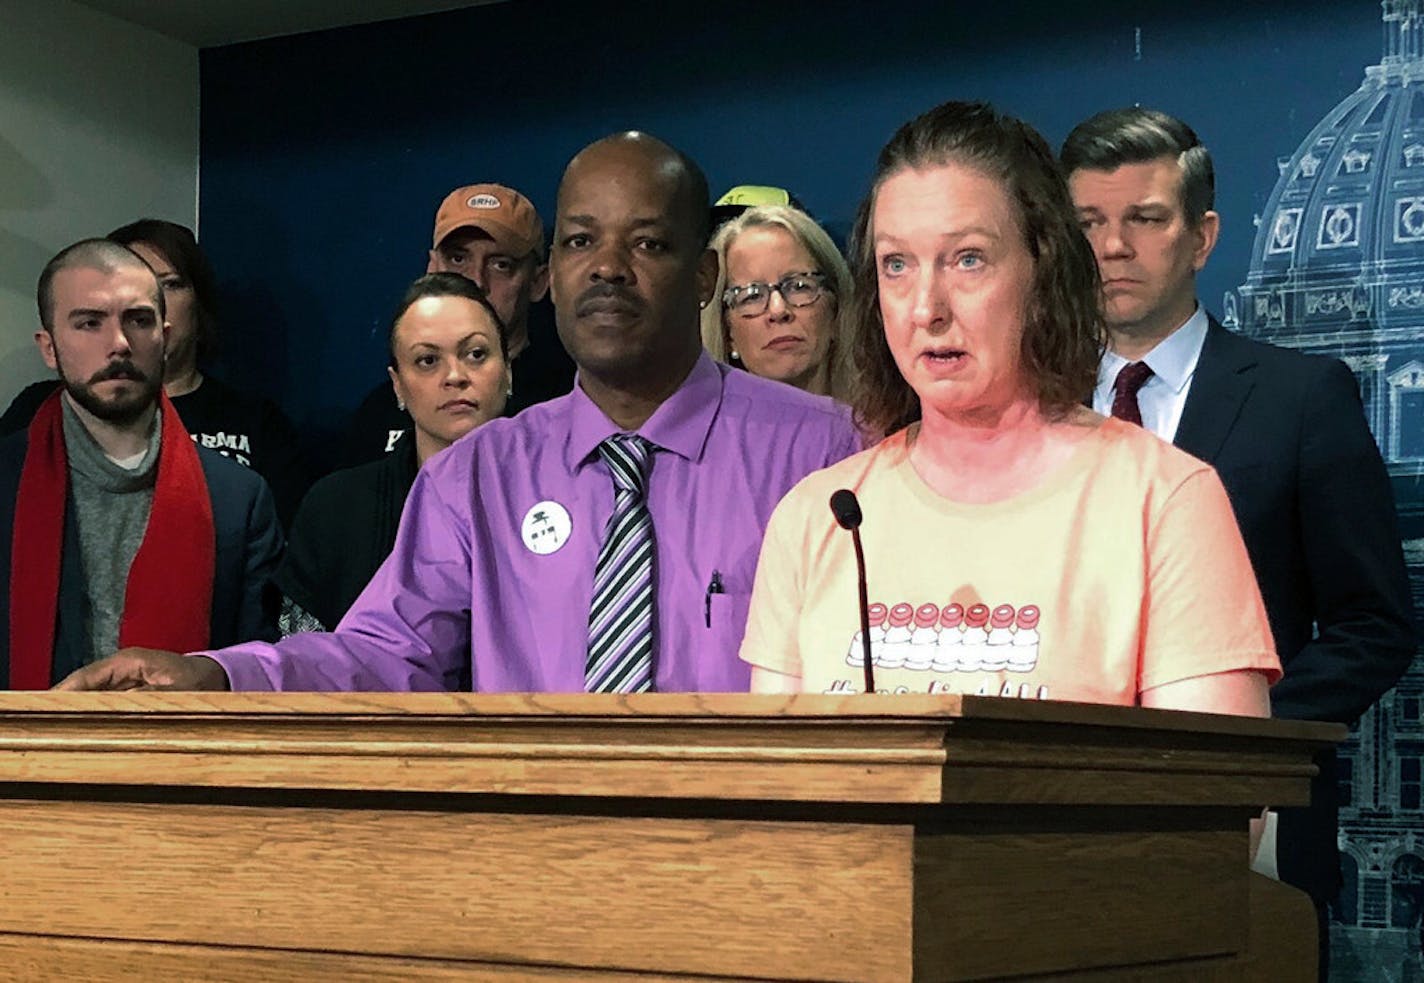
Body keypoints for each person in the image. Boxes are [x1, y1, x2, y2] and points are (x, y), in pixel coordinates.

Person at [59, 131, 860, 694]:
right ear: (555, 271)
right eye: (581, 242)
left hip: (762, 877)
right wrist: (220, 671)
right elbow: (382, 652)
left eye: (647, 243)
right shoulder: (479, 475)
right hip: (534, 874)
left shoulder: (824, 452)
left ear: (703, 275)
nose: (609, 268)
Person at [740, 101, 1281, 717]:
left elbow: (1225, 805)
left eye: (967, 259)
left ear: (1044, 269)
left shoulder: (1163, 501)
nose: (926, 308)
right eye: (897, 265)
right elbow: (775, 790)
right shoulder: (818, 517)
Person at [1060, 106, 1416, 976]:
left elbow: (1374, 623)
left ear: (1203, 235)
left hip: (1250, 819)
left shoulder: (1303, 398)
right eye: (1089, 225)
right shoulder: (1029, 407)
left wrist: (1237, 737)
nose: (1114, 247)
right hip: (1056, 814)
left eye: (1144, 218)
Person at [0, 240, 282, 687]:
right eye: (89, 323)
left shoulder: (238, 498)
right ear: (49, 347)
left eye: (138, 320)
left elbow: (259, 667)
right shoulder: (6, 480)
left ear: (165, 338)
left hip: (186, 751)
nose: (119, 344)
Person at [0, 220, 310, 528]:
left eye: (170, 284)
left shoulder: (254, 427)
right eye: (92, 321)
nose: (120, 339)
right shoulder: (38, 410)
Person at [277, 273, 510, 632]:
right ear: (397, 385)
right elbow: (302, 662)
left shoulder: (562, 497)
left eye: (476, 354)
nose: (455, 376)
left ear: (508, 373)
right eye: (427, 360)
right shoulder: (334, 510)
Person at [341, 183, 576, 465]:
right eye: (458, 258)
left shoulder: (571, 402)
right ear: (433, 268)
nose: (476, 279)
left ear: (539, 282)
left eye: (500, 264)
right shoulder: (379, 412)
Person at [700, 205, 854, 400]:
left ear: (836, 308)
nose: (778, 310)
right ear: (727, 332)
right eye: (752, 296)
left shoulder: (889, 425)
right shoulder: (696, 429)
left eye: (799, 286)